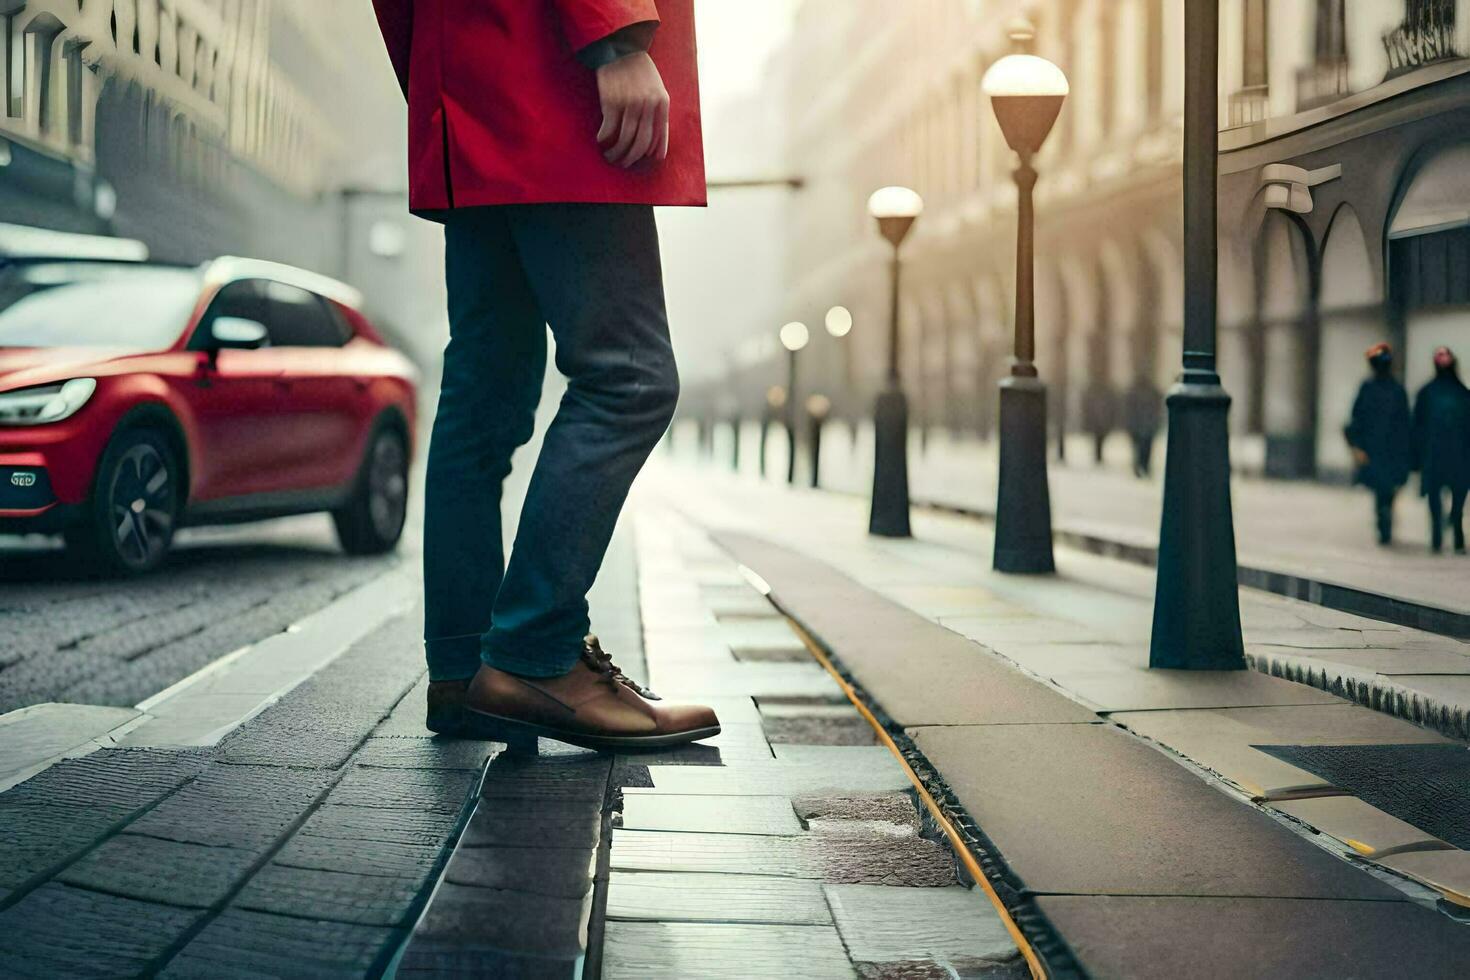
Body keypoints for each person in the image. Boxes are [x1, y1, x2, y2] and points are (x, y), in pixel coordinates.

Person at [372, 0, 720, 750]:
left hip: (471, 77)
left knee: (484, 396)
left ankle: (465, 673)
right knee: (630, 379)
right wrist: (616, 38)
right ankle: (536, 653)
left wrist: (443, 75)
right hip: (553, 79)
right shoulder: (594, 54)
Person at [1344, 343, 1412, 545]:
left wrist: (1357, 445)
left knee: (1381, 489)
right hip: (1390, 449)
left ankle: (1384, 519)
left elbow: (1356, 419)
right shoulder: (1396, 389)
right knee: (1387, 488)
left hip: (1376, 448)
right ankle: (1385, 518)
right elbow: (1405, 422)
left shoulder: (1369, 387)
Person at [1412, 347, 1470, 555]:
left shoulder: (1426, 393)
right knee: (1457, 498)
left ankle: (1438, 537)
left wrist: (1416, 456)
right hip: (1458, 455)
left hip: (1435, 454)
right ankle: (1457, 536)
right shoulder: (1463, 394)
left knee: (1435, 498)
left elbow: (1416, 427)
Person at [1123, 374, 1163, 478]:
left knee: (1142, 447)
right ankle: (1142, 466)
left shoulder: (1135, 391)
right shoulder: (1151, 392)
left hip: (1142, 425)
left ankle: (1141, 466)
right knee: (1144, 447)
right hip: (1141, 425)